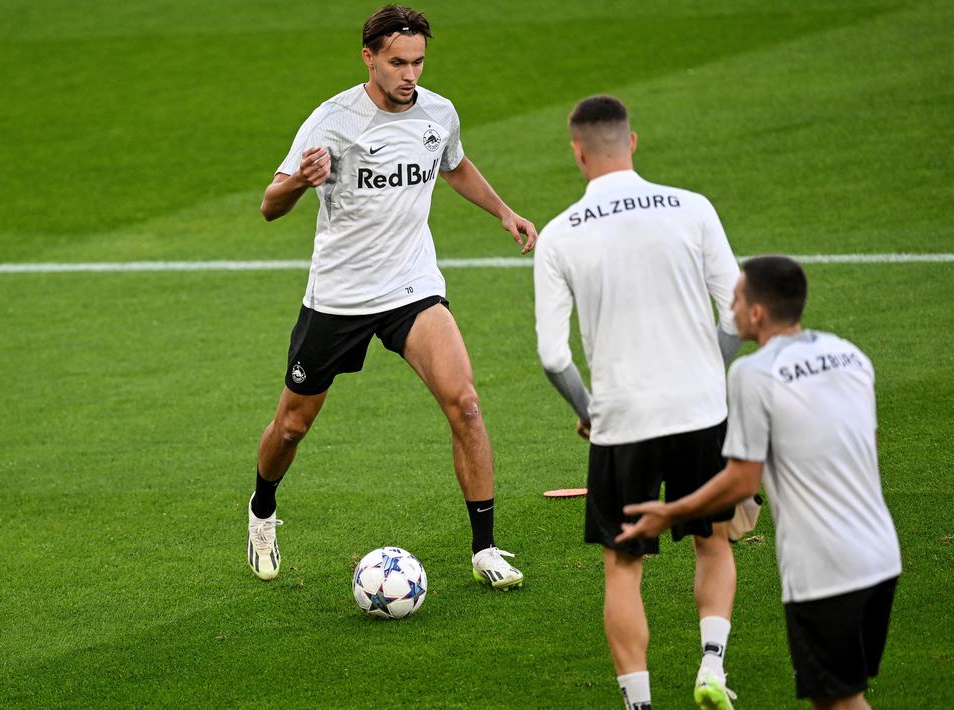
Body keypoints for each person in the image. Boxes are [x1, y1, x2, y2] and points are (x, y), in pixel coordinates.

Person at [247, 4, 538, 589]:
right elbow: (269, 206)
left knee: (468, 405)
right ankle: (262, 511)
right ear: (370, 58)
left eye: (419, 62)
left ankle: (484, 549)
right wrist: (302, 182)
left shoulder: (438, 112)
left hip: (412, 287)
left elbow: (452, 165)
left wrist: (504, 211)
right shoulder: (331, 122)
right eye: (398, 63)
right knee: (292, 427)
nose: (411, 75)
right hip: (339, 297)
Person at [533, 95, 743, 709]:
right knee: (713, 540)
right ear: (634, 142)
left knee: (623, 564)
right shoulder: (692, 209)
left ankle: (638, 703)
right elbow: (738, 313)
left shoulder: (560, 235)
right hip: (702, 411)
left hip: (623, 420)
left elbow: (553, 356)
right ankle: (710, 667)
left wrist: (589, 411)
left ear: (578, 153)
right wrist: (709, 372)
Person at [618, 256, 901, 710]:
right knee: (848, 695)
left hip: (825, 569)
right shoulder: (852, 356)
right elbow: (865, 445)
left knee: (839, 703)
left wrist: (672, 513)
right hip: (881, 555)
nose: (729, 310)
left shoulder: (752, 374)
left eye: (735, 299)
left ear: (756, 313)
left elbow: (740, 480)